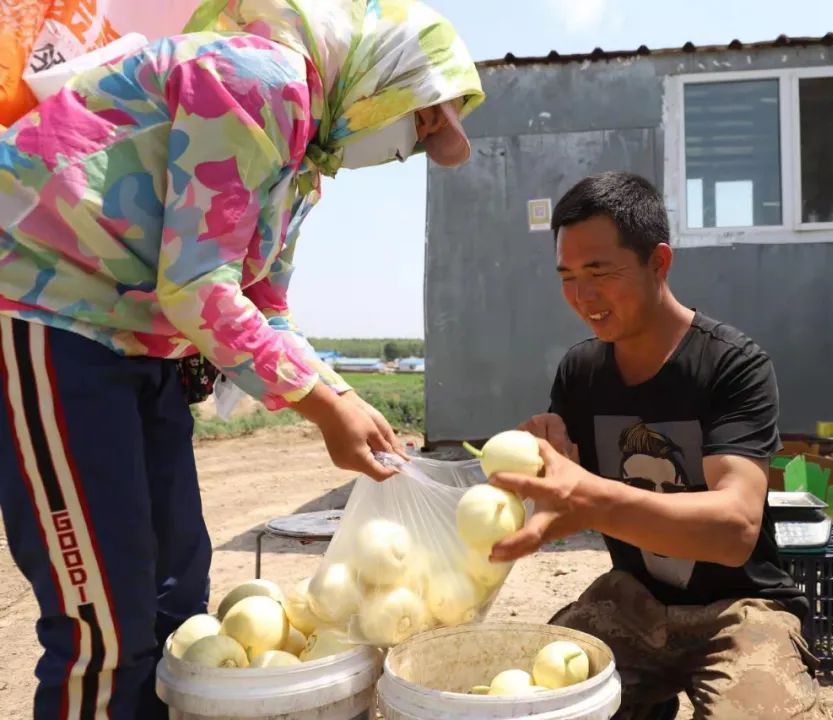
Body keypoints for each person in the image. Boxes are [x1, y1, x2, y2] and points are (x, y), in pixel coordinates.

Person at [0, 0, 483, 717]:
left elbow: (265, 304)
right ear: (383, 76)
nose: (400, 152)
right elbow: (196, 283)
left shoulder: (303, 167)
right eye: (416, 127)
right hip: (51, 312)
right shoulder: (256, 79)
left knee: (178, 593)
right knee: (105, 618)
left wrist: (342, 396)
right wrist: (323, 406)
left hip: (138, 339)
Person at [489, 172, 827, 719]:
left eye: (600, 272)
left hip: (740, 611)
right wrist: (540, 455)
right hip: (633, 603)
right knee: (533, 701)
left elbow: (734, 529)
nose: (583, 297)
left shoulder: (732, 365)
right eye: (568, 276)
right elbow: (565, 479)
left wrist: (591, 499)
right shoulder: (581, 371)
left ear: (658, 262)